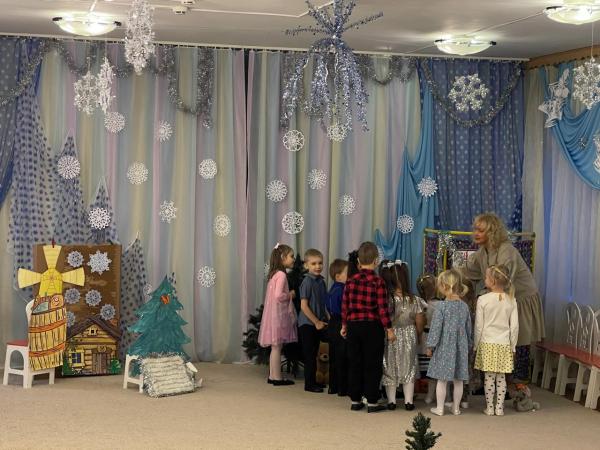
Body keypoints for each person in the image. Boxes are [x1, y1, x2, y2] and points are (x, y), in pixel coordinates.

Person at [461, 212, 544, 381]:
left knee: (513, 339)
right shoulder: (483, 252)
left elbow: (504, 281)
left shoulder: (507, 251)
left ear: (492, 232)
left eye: (481, 231)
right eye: (475, 229)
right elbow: (468, 270)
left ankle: (512, 380)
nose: (476, 233)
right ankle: (498, 379)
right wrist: (449, 278)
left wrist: (483, 297)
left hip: (519, 297)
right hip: (501, 298)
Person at [341, 241, 395, 413]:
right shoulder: (378, 282)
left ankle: (355, 400)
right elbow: (382, 309)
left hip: (353, 325)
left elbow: (345, 305)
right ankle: (372, 401)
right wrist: (389, 329)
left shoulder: (350, 281)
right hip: (372, 327)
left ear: (358, 261)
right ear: (376, 261)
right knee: (372, 363)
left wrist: (344, 324)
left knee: (355, 362)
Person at [380, 260, 426, 411]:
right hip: (409, 334)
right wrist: (418, 334)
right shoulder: (414, 299)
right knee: (409, 366)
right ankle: (408, 401)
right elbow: (420, 320)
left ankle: (391, 401)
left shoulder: (386, 299)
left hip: (390, 334)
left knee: (389, 366)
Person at [426, 269, 472, 416]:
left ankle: (440, 408)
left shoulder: (441, 307)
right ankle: (456, 408)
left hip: (444, 347)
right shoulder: (464, 307)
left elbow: (436, 329)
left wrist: (430, 346)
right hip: (461, 347)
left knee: (442, 379)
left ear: (445, 286)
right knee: (459, 380)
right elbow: (468, 329)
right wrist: (469, 345)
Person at [474, 264, 519, 416]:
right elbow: (514, 327)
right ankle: (499, 408)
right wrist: (513, 346)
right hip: (504, 344)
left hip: (487, 343)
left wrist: (476, 345)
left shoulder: (483, 299)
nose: (484, 279)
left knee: (489, 377)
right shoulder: (511, 300)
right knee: (501, 378)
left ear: (492, 281)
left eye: (486, 277)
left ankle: (489, 407)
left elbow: (479, 326)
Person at [258, 243, 298, 386]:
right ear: (283, 257)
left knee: (275, 347)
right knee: (277, 347)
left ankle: (272, 376)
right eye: (291, 256)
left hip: (274, 315)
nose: (294, 259)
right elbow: (278, 296)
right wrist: (290, 294)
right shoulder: (281, 275)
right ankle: (277, 378)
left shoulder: (274, 274)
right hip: (279, 316)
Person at [298, 248, 329, 393]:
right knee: (310, 355)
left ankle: (314, 380)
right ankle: (309, 384)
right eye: (313, 263)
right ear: (306, 265)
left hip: (318, 323)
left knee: (316, 352)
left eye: (320, 263)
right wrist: (316, 322)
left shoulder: (321, 282)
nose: (318, 266)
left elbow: (323, 304)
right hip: (307, 324)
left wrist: (327, 318)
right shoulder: (307, 282)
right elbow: (304, 306)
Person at [416, 273, 442, 404]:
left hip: (423, 338)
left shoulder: (419, 303)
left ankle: (429, 396)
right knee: (434, 369)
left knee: (427, 369)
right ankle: (434, 395)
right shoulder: (441, 304)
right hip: (436, 339)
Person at [326, 259, 349, 396]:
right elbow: (344, 308)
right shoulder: (343, 290)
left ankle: (332, 386)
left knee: (333, 355)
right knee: (342, 356)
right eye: (347, 273)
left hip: (332, 322)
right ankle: (342, 388)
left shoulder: (331, 289)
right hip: (341, 322)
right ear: (338, 276)